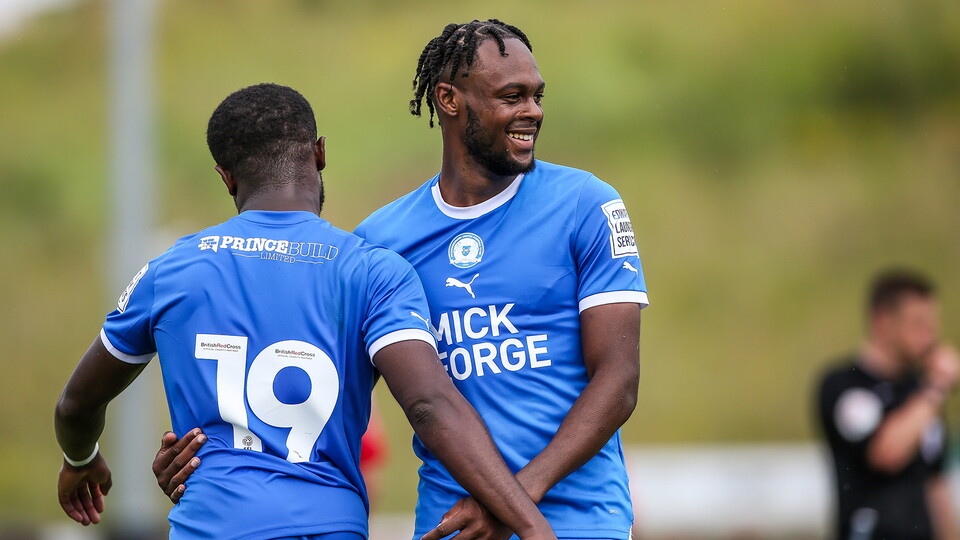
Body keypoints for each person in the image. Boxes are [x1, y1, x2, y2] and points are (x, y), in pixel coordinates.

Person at [155, 19, 648, 540]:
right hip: (451, 527)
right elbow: (315, 387)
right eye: (512, 96)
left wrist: (512, 504)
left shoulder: (588, 204)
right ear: (449, 100)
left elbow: (618, 382)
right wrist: (206, 458)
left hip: (578, 521)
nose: (533, 112)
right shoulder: (382, 242)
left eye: (537, 96)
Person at [54, 83, 557, 540]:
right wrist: (531, 526)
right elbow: (429, 405)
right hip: (327, 526)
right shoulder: (374, 270)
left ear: (226, 177)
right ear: (319, 153)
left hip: (212, 526)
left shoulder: (171, 270)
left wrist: (82, 460)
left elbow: (75, 406)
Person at [816, 269, 958, 539]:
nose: (929, 335)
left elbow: (936, 484)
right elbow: (886, 453)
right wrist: (937, 386)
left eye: (932, 324)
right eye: (917, 324)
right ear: (882, 321)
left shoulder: (920, 392)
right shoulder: (845, 386)